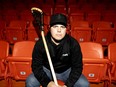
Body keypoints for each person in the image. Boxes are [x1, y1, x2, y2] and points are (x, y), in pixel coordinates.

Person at [26, 13, 90, 87]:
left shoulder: (73, 43)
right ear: (50, 28)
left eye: (62, 27)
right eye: (55, 26)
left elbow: (77, 67)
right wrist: (48, 83)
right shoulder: (41, 44)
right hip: (47, 70)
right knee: (30, 81)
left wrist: (67, 85)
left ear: (66, 29)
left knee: (84, 84)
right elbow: (36, 66)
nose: (59, 30)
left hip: (67, 70)